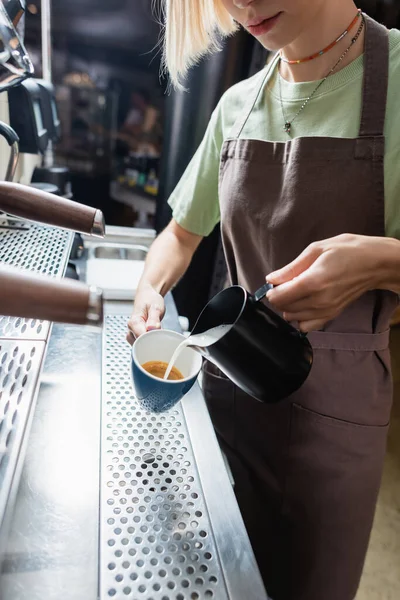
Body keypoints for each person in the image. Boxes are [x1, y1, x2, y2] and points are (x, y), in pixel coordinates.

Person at [127, 1, 400, 599]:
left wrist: (382, 262)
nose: (242, 3)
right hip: (228, 398)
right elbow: (180, 233)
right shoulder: (237, 104)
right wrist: (151, 289)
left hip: (334, 425)